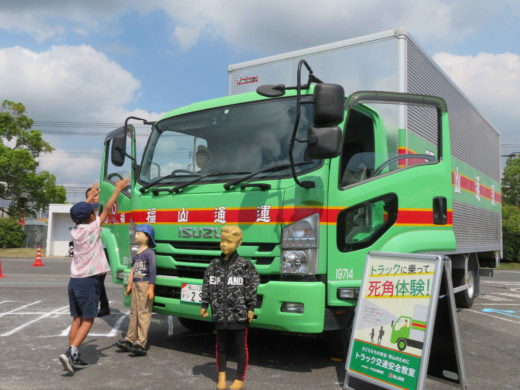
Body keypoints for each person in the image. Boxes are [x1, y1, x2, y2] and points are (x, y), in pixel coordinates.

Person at [59, 177, 130, 374]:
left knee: (77, 319)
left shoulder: (76, 229)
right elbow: (107, 208)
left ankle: (74, 354)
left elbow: (82, 212)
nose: (95, 212)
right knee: (88, 319)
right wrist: (118, 189)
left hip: (74, 281)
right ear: (91, 217)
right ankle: (71, 352)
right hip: (88, 282)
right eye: (93, 211)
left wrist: (90, 197)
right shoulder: (93, 228)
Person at [200, 226, 260, 390]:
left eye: (229, 242)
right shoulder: (213, 265)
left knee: (241, 347)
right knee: (221, 346)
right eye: (222, 241)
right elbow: (207, 285)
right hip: (220, 313)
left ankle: (239, 378)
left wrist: (251, 306)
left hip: (239, 314)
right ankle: (222, 376)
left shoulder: (244, 265)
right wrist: (205, 304)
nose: (224, 245)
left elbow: (252, 285)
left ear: (239, 243)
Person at [115, 224, 157, 356]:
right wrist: (129, 285)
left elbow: (152, 271)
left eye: (139, 233)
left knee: (143, 313)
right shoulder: (136, 255)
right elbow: (133, 270)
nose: (136, 235)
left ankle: (141, 342)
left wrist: (151, 287)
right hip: (136, 285)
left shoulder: (150, 254)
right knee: (134, 312)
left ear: (147, 237)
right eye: (136, 233)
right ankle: (130, 338)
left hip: (144, 283)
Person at [85, 184, 110, 317]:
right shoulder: (87, 216)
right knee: (95, 280)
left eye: (96, 195)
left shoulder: (104, 210)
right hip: (94, 251)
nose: (94, 198)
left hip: (106, 250)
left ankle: (103, 306)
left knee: (98, 280)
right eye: (91, 196)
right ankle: (103, 306)